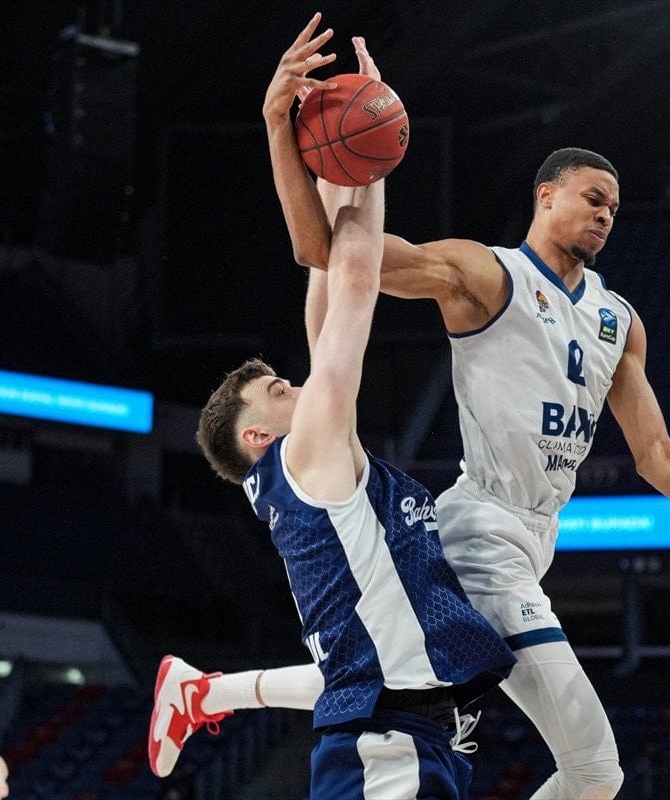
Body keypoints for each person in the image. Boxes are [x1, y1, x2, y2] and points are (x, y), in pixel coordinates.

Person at [150, 13, 670, 799]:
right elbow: (332, 258)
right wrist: (326, 152)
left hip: (533, 538)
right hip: (483, 526)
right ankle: (209, 693)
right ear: (545, 196)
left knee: (389, 671)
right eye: (592, 198)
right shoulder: (485, 275)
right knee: (595, 769)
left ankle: (207, 693)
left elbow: (655, 454)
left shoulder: (619, 321)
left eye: (615, 207)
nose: (605, 213)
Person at [147, 27, 515, 798]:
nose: (296, 385)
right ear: (257, 435)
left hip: (398, 731)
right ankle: (205, 694)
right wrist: (364, 161)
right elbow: (349, 279)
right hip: (390, 741)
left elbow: (326, 270)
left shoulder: (309, 469)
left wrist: (322, 145)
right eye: (278, 390)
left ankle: (204, 694)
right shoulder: (308, 454)